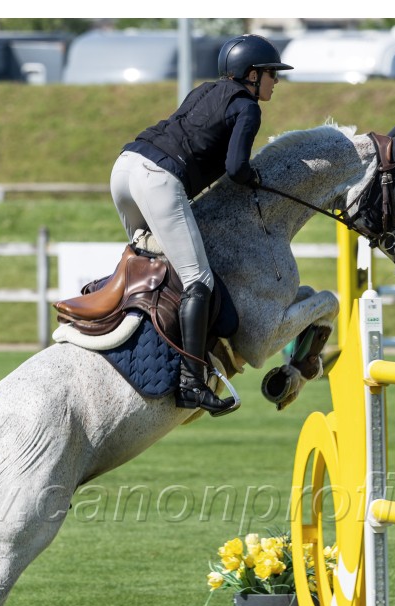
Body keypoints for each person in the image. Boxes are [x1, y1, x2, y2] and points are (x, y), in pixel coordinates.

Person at [109, 34, 292, 414]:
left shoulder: (205, 91)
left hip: (125, 167)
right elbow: (236, 169)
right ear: (253, 75)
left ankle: (133, 342)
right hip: (158, 178)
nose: (276, 81)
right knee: (197, 281)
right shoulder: (247, 107)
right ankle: (192, 382)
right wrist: (256, 179)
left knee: (152, 263)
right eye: (272, 74)